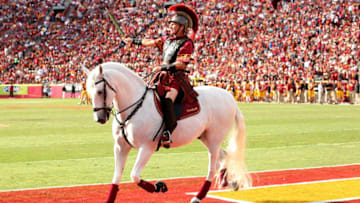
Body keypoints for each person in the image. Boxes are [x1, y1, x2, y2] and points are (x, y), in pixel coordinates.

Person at [124, 4, 199, 147]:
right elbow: (149, 42)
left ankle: (168, 132)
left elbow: (181, 64)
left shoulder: (187, 43)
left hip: (176, 79)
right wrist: (133, 41)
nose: (170, 27)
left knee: (167, 100)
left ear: (182, 27)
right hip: (161, 76)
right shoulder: (167, 40)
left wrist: (163, 66)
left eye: (174, 24)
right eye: (170, 24)